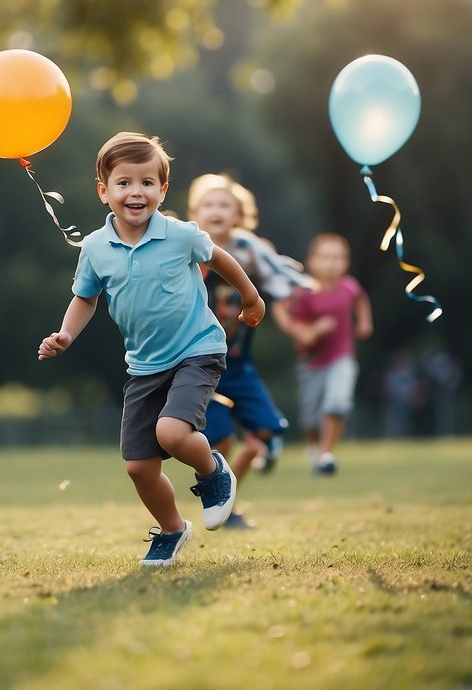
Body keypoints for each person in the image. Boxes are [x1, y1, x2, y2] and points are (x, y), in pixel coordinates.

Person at [38, 133, 266, 567]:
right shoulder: (94, 248)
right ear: (104, 191)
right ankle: (172, 529)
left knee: (172, 433)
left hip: (197, 349)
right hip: (144, 366)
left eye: (147, 182)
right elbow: (85, 298)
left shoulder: (180, 235)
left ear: (162, 190)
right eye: (124, 183)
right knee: (139, 466)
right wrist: (66, 335)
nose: (136, 192)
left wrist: (251, 298)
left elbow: (220, 259)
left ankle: (214, 472)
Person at [186, 173, 312, 528]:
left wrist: (300, 286)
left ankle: (238, 486)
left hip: (239, 363)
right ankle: (220, 499)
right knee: (221, 439)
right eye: (208, 204)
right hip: (201, 362)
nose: (216, 210)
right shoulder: (188, 243)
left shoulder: (248, 248)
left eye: (225, 205)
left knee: (267, 433)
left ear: (239, 214)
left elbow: (276, 276)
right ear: (195, 211)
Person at [273, 233, 373, 476]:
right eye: (326, 257)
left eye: (337, 258)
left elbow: (360, 299)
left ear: (346, 263)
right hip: (312, 362)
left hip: (342, 358)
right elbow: (279, 308)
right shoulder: (304, 290)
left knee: (337, 403)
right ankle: (313, 447)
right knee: (310, 420)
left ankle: (326, 454)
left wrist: (364, 322)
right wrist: (305, 331)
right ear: (312, 261)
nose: (331, 263)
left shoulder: (349, 286)